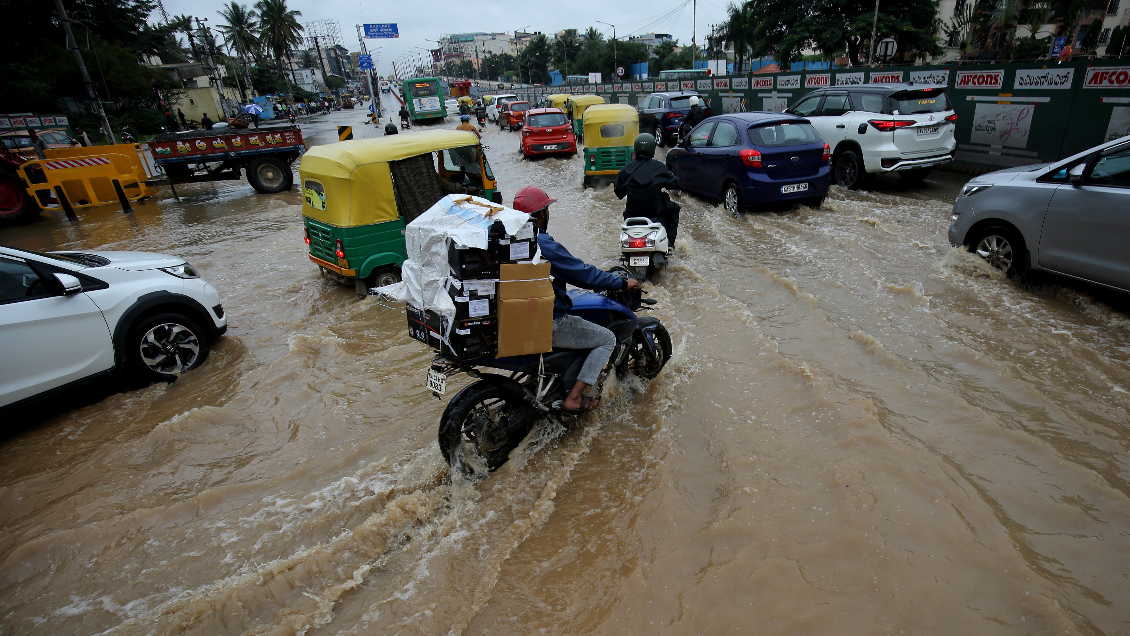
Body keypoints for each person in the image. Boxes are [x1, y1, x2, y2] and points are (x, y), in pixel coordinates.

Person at [513, 186, 640, 412]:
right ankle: (574, 397)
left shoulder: (509, 240)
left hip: (518, 319)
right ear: (542, 214)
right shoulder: (543, 244)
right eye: (547, 210)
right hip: (547, 322)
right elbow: (582, 273)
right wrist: (620, 282)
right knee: (606, 339)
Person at [614, 133, 681, 243]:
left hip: (631, 215)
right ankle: (670, 243)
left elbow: (619, 193)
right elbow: (674, 183)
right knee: (675, 208)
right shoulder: (659, 167)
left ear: (636, 148)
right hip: (655, 212)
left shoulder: (627, 169)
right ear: (653, 148)